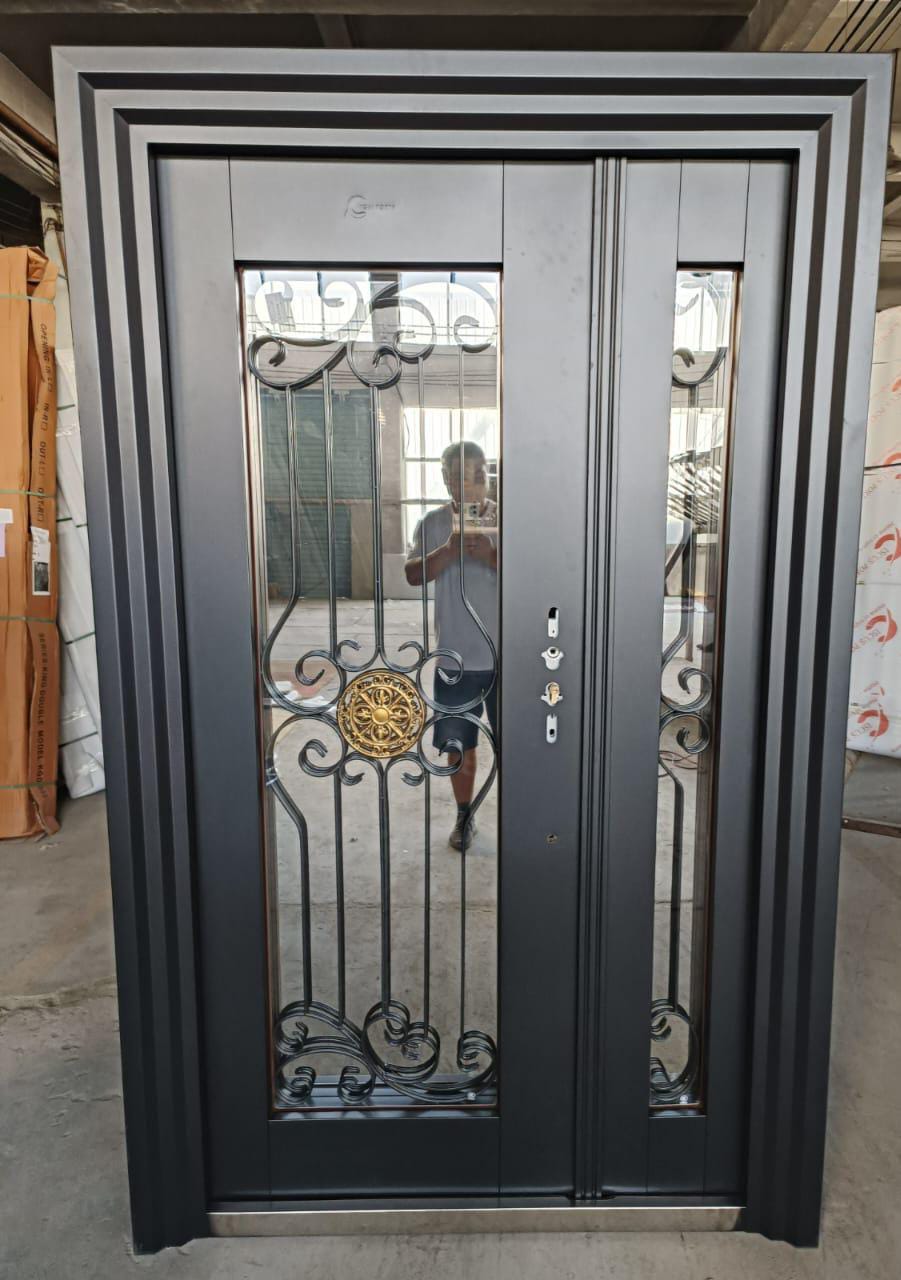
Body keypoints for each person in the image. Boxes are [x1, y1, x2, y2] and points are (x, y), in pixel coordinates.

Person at [405, 440, 498, 850]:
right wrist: (448, 550)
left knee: (523, 741)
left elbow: (536, 573)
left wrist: (492, 555)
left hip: (507, 657)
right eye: (461, 476)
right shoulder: (432, 523)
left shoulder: (508, 518)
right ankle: (464, 816)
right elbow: (412, 575)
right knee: (459, 746)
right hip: (456, 658)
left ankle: (522, 819)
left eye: (479, 475)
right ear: (446, 480)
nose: (472, 484)